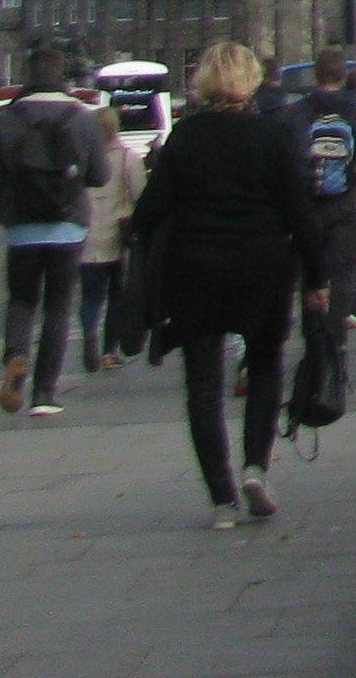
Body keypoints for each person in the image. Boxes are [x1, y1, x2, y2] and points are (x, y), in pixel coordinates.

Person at [133, 42, 328, 529]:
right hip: (262, 265)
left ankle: (221, 499)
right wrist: (317, 276)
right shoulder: (274, 135)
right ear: (252, 80)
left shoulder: (185, 137)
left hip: (195, 269)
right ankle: (255, 467)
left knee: (202, 385)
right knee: (264, 364)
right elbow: (300, 211)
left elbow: (149, 211)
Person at [0, 48, 114, 417]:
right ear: (61, 78)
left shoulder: (8, 118)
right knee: (58, 308)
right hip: (68, 227)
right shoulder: (82, 118)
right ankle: (44, 394)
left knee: (22, 300)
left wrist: (7, 213)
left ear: (28, 76)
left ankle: (16, 355)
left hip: (22, 227)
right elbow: (100, 175)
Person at [285, 46, 356, 327]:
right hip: (347, 202)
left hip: (308, 204)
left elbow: (291, 160)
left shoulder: (299, 111)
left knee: (312, 273)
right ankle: (336, 335)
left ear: (316, 74)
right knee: (345, 273)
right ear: (343, 75)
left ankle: (314, 336)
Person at [78, 120, 148, 374]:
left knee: (90, 296)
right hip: (117, 236)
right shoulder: (128, 158)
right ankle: (109, 351)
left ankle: (89, 332)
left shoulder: (81, 158)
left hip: (85, 237)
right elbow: (141, 195)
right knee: (116, 296)